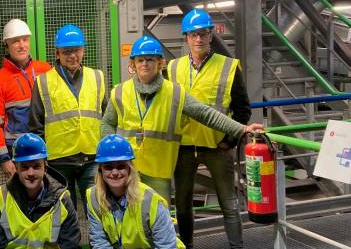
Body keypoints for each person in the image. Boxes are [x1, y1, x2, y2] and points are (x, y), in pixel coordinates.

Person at [101, 35, 263, 206]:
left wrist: (241, 129)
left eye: (150, 59)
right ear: (133, 64)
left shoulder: (175, 93)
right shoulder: (119, 92)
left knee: (158, 221)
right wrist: (113, 158)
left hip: (159, 171)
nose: (145, 64)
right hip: (128, 168)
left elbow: (205, 114)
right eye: (140, 60)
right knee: (127, 218)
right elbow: (107, 123)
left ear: (160, 63)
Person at [168, 9, 252, 249]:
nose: (199, 39)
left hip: (218, 147)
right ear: (186, 38)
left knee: (229, 204)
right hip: (183, 147)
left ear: (211, 34)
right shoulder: (173, 68)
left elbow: (242, 109)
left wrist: (229, 141)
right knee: (182, 203)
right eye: (194, 34)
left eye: (204, 33)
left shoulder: (229, 66)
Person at [29, 24, 107, 210]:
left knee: (98, 212)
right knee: (64, 216)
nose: (73, 56)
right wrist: (42, 160)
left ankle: (97, 241)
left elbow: (107, 118)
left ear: (83, 50)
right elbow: (35, 124)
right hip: (59, 162)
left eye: (77, 50)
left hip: (92, 158)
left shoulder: (97, 77)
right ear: (57, 53)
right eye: (67, 51)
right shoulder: (43, 82)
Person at [0, 19, 52, 179]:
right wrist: (4, 159)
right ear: (7, 44)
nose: (22, 45)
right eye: (16, 41)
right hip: (17, 151)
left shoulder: (45, 70)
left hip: (47, 147)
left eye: (25, 39)